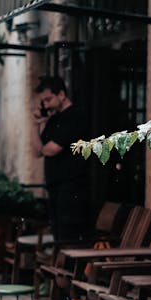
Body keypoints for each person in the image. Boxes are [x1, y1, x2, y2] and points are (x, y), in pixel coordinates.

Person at [31, 75, 89, 246]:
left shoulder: (74, 116)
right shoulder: (53, 119)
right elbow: (36, 151)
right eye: (43, 102)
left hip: (71, 186)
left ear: (61, 95)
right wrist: (35, 125)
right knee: (58, 234)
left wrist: (44, 149)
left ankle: (68, 271)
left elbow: (51, 149)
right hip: (55, 185)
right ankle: (61, 271)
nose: (46, 105)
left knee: (67, 236)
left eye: (48, 99)